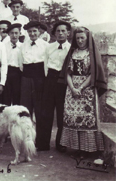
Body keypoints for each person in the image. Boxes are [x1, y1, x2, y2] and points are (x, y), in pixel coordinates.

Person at [59, 27, 107, 159]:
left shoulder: (91, 54)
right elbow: (67, 73)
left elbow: (93, 75)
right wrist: (73, 88)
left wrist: (80, 88)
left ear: (87, 38)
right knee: (73, 117)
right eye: (77, 38)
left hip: (87, 90)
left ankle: (89, 149)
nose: (80, 41)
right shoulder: (73, 53)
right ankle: (77, 148)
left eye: (82, 38)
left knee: (87, 118)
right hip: (72, 89)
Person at [39, 21, 71, 152]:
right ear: (54, 33)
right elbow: (45, 65)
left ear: (68, 33)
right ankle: (43, 143)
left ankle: (60, 143)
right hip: (50, 80)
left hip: (64, 82)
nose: (61, 33)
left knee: (62, 113)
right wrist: (48, 80)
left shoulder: (71, 49)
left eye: (63, 31)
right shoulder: (49, 47)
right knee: (46, 112)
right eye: (58, 31)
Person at [19, 21, 48, 150]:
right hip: (26, 78)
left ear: (39, 31)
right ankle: (26, 140)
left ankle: (41, 142)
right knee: (25, 110)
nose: (32, 34)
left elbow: (47, 64)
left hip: (40, 79)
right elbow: (21, 65)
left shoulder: (46, 46)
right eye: (29, 31)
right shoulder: (23, 46)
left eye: (34, 31)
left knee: (40, 110)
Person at [3, 23, 23, 105]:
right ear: (8, 34)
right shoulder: (3, 46)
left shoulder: (23, 46)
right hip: (7, 72)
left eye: (16, 33)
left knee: (17, 96)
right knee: (6, 97)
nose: (14, 35)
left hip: (19, 73)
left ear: (20, 33)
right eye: (12, 33)